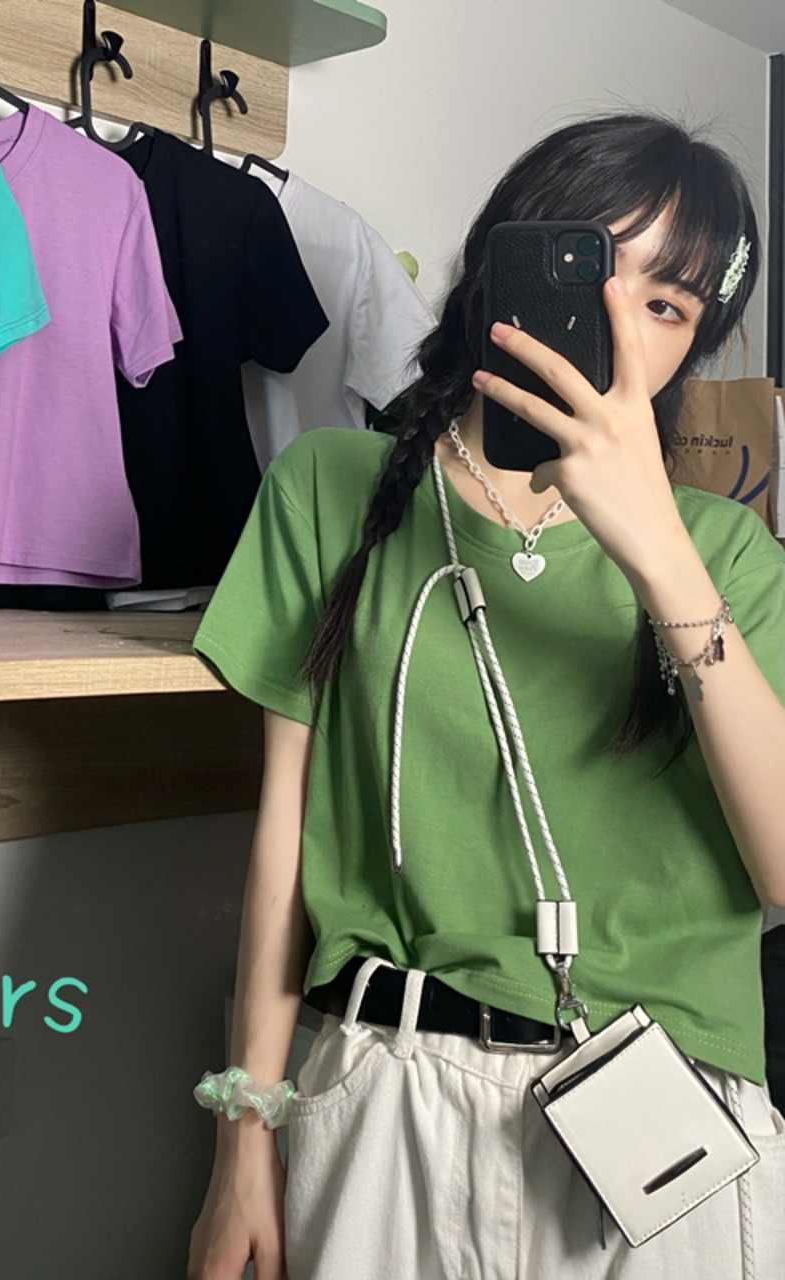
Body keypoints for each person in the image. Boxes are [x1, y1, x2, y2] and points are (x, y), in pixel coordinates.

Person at [186, 111, 785, 1280]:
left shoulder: (727, 553)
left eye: (666, 305)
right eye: (585, 265)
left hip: (661, 1122)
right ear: (496, 269)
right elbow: (281, 842)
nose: (614, 321)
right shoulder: (330, 487)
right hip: (385, 1092)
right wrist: (240, 1135)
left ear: (694, 345)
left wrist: (659, 554)